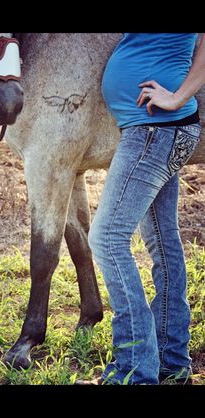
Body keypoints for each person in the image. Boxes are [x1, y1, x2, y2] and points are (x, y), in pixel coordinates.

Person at [77, 33, 205, 385]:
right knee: (163, 243)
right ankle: (172, 361)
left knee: (106, 239)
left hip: (155, 131)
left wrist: (179, 95)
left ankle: (134, 370)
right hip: (157, 130)